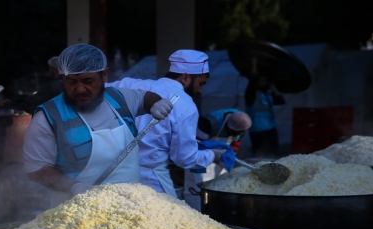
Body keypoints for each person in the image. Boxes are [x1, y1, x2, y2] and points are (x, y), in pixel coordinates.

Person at [23, 44, 173, 207]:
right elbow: (37, 170)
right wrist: (73, 186)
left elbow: (146, 97)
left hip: (131, 208)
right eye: (71, 82)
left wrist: (156, 103)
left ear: (105, 75)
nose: (80, 89)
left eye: (88, 81)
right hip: (76, 216)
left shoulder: (119, 98)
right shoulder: (46, 119)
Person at [107, 49, 225, 198]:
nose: (200, 90)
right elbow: (184, 158)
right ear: (186, 78)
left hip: (111, 175)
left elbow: (96, 91)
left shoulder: (128, 83)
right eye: (201, 83)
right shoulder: (186, 106)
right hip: (149, 183)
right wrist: (212, 155)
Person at [183, 109, 252, 210]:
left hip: (220, 157)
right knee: (198, 186)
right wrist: (213, 155)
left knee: (220, 185)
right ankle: (196, 211)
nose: (239, 134)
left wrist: (231, 156)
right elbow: (195, 146)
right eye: (236, 132)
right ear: (229, 126)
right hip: (200, 158)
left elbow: (236, 140)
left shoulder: (241, 124)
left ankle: (217, 213)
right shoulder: (208, 124)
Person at [244, 69, 285, 158]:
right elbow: (252, 81)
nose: (264, 83)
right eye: (262, 81)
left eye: (266, 81)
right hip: (258, 130)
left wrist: (273, 87)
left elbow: (281, 100)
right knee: (260, 154)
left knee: (273, 153)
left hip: (271, 128)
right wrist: (253, 64)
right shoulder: (251, 93)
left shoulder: (267, 94)